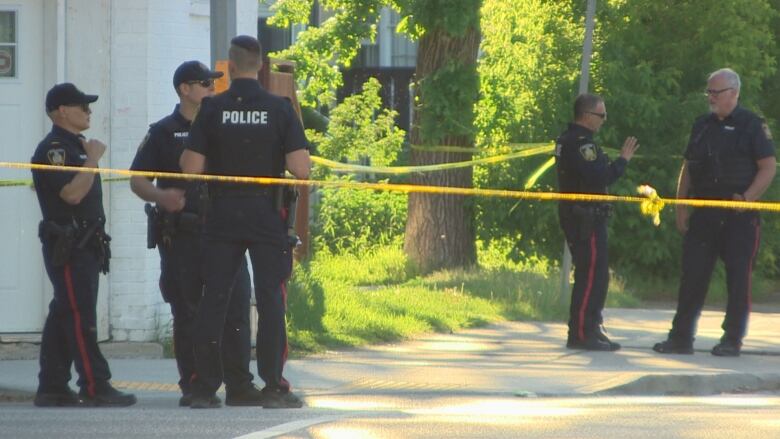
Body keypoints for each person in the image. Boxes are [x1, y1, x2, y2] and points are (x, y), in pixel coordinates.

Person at [180, 35, 311, 409]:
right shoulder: (279, 108)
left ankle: (204, 389)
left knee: (214, 300)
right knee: (271, 300)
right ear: (262, 65)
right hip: (266, 216)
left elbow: (190, 169)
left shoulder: (212, 108)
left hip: (220, 215)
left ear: (230, 67)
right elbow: (300, 169)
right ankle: (272, 387)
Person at [129, 61, 261, 406]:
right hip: (183, 236)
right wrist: (161, 196)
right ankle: (196, 384)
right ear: (184, 89)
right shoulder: (162, 131)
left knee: (235, 309)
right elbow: (137, 179)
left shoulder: (225, 127)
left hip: (227, 234)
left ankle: (239, 385)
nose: (212, 89)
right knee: (188, 311)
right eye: (205, 83)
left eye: (214, 83)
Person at [653, 68, 776, 357]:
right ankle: (681, 337)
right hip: (704, 213)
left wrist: (747, 198)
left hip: (738, 217)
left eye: (715, 92)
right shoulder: (702, 125)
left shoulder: (752, 125)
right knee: (692, 275)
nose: (710, 97)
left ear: (733, 93)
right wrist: (681, 205)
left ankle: (732, 339)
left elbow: (768, 167)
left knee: (737, 279)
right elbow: (688, 167)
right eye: (708, 91)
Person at [31, 83, 136, 407]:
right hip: (69, 245)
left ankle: (52, 385)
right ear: (62, 110)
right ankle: (95, 385)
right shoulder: (55, 150)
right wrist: (91, 160)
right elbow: (71, 194)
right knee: (79, 314)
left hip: (85, 244)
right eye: (82, 106)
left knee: (64, 310)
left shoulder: (74, 146)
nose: (89, 111)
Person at [555, 93, 639, 351]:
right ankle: (580, 332)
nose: (604, 120)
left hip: (586, 215)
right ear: (587, 116)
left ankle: (592, 327)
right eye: (601, 115)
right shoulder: (581, 144)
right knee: (589, 275)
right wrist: (623, 160)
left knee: (599, 275)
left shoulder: (575, 141)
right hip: (585, 216)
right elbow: (600, 177)